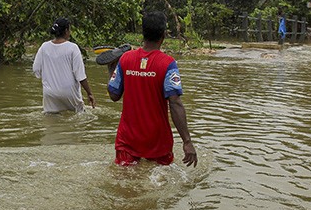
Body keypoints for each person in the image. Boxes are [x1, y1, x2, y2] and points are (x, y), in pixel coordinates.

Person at [106, 11, 197, 167]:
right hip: (158, 143)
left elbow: (114, 95)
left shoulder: (125, 59)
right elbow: (175, 103)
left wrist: (111, 70)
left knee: (125, 186)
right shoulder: (168, 64)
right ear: (163, 34)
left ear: (143, 33)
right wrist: (187, 141)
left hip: (127, 140)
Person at [33, 17, 96, 113]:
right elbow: (80, 75)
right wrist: (90, 93)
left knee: (51, 121)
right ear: (66, 31)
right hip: (69, 93)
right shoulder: (72, 48)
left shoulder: (44, 47)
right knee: (79, 117)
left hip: (50, 93)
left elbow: (36, 69)